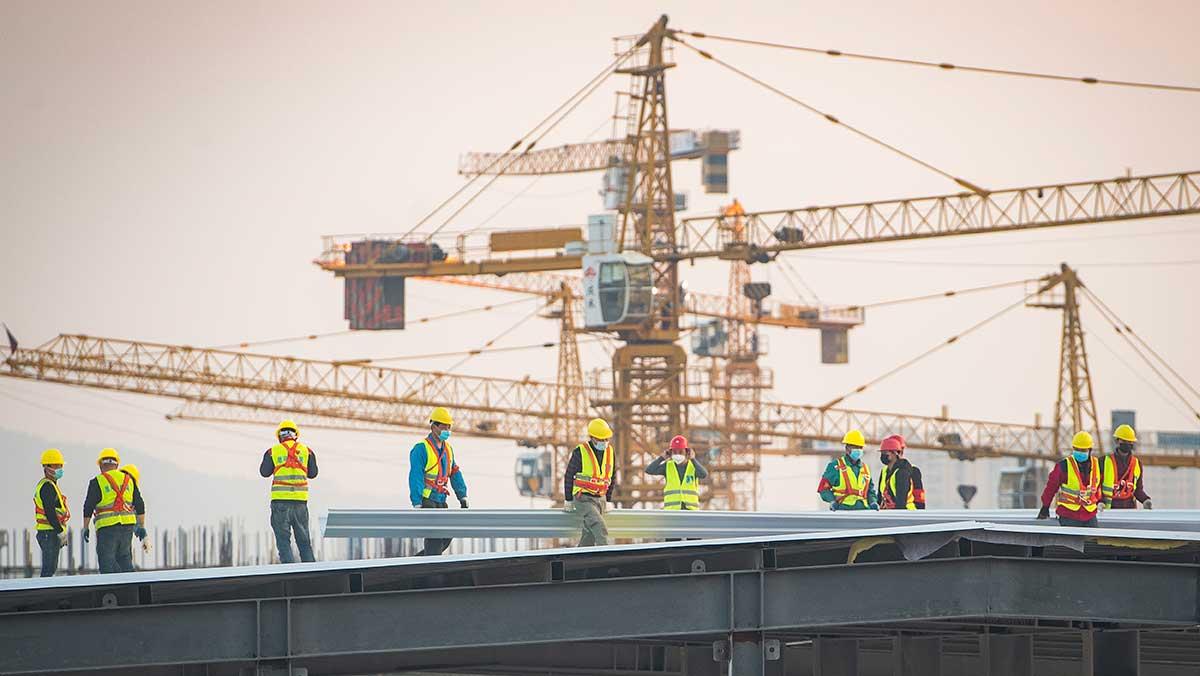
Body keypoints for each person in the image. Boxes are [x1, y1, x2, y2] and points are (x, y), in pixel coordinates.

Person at [408, 407, 468, 556]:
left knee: (446, 536)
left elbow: (454, 472)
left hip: (441, 500)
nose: (447, 430)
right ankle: (429, 573)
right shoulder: (421, 448)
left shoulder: (448, 449)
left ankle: (418, 562)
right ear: (434, 426)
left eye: (449, 427)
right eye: (443, 427)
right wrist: (417, 502)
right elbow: (415, 474)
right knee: (434, 541)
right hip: (427, 500)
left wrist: (463, 495)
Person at [259, 420, 318, 563]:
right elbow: (313, 473)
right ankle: (313, 576)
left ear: (280, 436)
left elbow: (264, 472)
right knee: (304, 543)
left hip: (280, 503)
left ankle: (290, 575)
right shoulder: (307, 452)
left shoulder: (272, 451)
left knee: (284, 543)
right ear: (295, 435)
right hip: (300, 503)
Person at [81, 448, 146, 573]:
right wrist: (142, 527)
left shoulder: (97, 481)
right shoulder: (129, 480)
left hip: (107, 528)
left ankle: (110, 591)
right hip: (127, 527)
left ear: (101, 465)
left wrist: (86, 527)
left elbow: (88, 506)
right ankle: (130, 590)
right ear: (117, 464)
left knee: (107, 562)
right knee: (125, 559)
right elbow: (140, 504)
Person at [564, 418, 616, 546]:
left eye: (606, 439)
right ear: (592, 437)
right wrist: (568, 499)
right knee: (600, 527)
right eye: (601, 439)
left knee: (589, 535)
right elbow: (569, 475)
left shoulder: (610, 452)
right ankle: (607, 560)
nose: (604, 442)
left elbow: (612, 476)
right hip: (583, 498)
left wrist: (608, 499)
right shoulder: (580, 452)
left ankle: (578, 561)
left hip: (601, 499)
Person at [1038, 432, 1103, 527]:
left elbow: (1099, 486)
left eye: (1083, 450)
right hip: (1069, 514)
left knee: (1092, 541)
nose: (1080, 452)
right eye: (1077, 449)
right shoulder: (1064, 466)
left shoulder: (1097, 464)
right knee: (1072, 541)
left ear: (1090, 450)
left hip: (1090, 514)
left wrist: (1101, 500)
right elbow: (1051, 487)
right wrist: (1045, 506)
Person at [818, 430, 878, 511]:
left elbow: (870, 491)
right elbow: (823, 488)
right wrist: (832, 501)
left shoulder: (865, 468)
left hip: (864, 512)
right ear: (847, 448)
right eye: (855, 447)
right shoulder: (835, 466)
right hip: (843, 511)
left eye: (860, 447)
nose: (858, 449)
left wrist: (873, 502)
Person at [33, 448, 70, 577]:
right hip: (48, 532)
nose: (59, 468)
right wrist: (60, 531)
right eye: (56, 466)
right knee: (48, 570)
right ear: (46, 467)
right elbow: (50, 512)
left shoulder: (51, 485)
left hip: (49, 532)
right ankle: (42, 596)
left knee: (51, 568)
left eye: (60, 465)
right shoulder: (47, 487)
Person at [645, 435, 708, 510]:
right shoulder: (667, 466)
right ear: (670, 453)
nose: (677, 454)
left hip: (690, 511)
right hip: (672, 511)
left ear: (687, 452)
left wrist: (693, 459)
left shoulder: (693, 466)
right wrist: (661, 458)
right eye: (675, 452)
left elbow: (703, 474)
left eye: (680, 451)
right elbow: (649, 470)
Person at [1103, 424, 1152, 510]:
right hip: (1109, 511)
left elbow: (1138, 490)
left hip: (1129, 511)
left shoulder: (1137, 464)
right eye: (1124, 441)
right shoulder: (1104, 461)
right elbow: (1097, 488)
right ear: (1117, 441)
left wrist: (1145, 500)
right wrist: (1100, 502)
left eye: (1130, 441)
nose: (1127, 444)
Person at [877, 434, 926, 510]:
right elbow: (880, 496)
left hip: (907, 512)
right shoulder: (884, 471)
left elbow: (919, 498)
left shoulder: (912, 470)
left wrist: (919, 514)